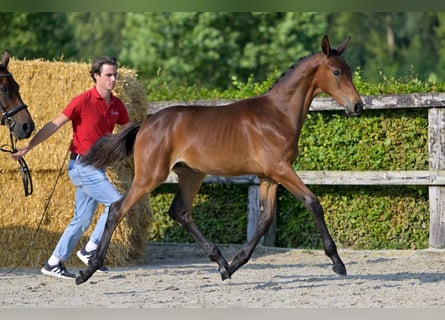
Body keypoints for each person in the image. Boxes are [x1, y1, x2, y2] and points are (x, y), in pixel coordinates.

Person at [12, 56, 130, 279]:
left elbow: (130, 131)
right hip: (82, 165)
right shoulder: (82, 101)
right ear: (96, 76)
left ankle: (53, 262)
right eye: (108, 75)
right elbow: (53, 125)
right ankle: (91, 249)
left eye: (115, 75)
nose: (113, 79)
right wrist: (29, 147)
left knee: (82, 220)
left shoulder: (117, 105)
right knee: (117, 203)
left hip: (98, 167)